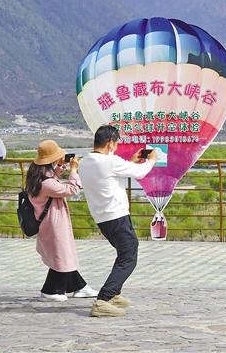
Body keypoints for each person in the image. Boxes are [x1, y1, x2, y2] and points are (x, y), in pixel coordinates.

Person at [79, 125, 157, 317]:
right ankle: (103, 299)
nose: (116, 147)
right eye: (116, 143)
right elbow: (139, 172)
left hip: (102, 218)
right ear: (110, 143)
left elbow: (110, 175)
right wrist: (152, 160)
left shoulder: (85, 162)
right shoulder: (110, 161)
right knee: (128, 256)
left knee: (123, 253)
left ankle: (113, 293)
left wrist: (130, 162)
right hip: (117, 216)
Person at [27, 140, 97, 301]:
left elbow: (54, 178)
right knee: (62, 256)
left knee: (64, 255)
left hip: (50, 224)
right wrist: (73, 170)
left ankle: (80, 287)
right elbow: (72, 189)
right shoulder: (47, 184)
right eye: (57, 160)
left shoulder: (38, 178)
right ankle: (50, 291)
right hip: (54, 225)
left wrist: (60, 167)